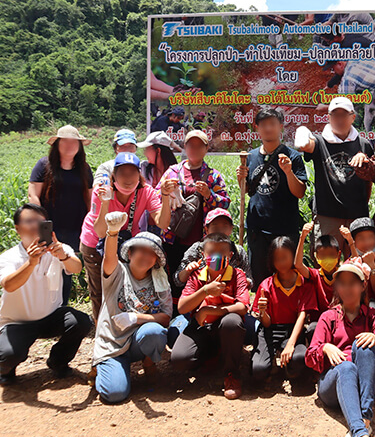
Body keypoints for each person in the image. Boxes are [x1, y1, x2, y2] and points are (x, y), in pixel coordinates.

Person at [0, 204, 92, 385]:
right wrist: (31, 262)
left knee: (81, 321)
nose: (35, 225)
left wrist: (63, 256)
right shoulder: (9, 257)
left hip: (51, 316)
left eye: (40, 221)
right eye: (29, 221)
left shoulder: (57, 248)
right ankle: (8, 370)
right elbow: (9, 285)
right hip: (17, 323)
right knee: (7, 356)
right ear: (18, 229)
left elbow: (77, 268)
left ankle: (58, 362)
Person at [79, 153, 175, 322]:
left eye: (133, 172)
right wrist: (105, 202)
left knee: (122, 289)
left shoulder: (146, 192)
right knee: (100, 290)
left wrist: (165, 197)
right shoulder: (102, 191)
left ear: (139, 175)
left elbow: (162, 223)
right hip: (95, 243)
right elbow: (101, 232)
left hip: (125, 245)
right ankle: (102, 331)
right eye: (122, 172)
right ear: (113, 175)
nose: (128, 178)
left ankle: (123, 328)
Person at [306, 258, 375, 437]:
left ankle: (363, 420)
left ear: (362, 286)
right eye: (342, 283)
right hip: (333, 386)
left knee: (365, 343)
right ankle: (361, 432)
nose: (347, 288)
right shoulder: (328, 317)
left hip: (366, 385)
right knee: (346, 367)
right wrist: (325, 347)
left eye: (352, 283)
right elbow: (310, 357)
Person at [93, 221, 172, 404]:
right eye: (141, 250)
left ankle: (148, 362)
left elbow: (165, 318)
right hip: (113, 344)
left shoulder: (159, 280)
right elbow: (109, 257)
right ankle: (104, 367)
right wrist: (112, 233)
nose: (146, 256)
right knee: (115, 394)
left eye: (152, 253)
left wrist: (136, 317)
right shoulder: (118, 272)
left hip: (137, 341)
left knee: (154, 331)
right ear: (130, 253)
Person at [171, 233, 250, 400]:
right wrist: (205, 291)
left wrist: (208, 310)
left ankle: (232, 374)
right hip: (201, 327)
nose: (216, 256)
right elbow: (182, 306)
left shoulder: (237, 275)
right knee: (180, 359)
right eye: (211, 252)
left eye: (222, 252)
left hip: (224, 325)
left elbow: (242, 307)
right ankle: (214, 356)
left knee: (232, 321)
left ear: (230, 255)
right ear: (204, 255)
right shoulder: (196, 276)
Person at [295, 97, 374, 259]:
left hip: (356, 216)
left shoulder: (364, 144)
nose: (339, 119)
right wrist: (303, 130)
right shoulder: (319, 142)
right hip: (327, 217)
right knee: (326, 265)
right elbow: (303, 145)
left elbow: (369, 181)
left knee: (359, 265)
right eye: (335, 115)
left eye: (344, 115)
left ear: (353, 117)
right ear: (328, 118)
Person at [236, 108, 307, 286]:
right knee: (260, 279)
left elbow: (300, 192)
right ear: (257, 128)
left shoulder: (293, 156)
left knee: (286, 278)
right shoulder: (250, 157)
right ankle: (261, 312)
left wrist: (289, 172)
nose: (268, 128)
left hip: (284, 229)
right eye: (264, 125)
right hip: (257, 231)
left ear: (280, 127)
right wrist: (240, 179)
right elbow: (247, 191)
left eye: (272, 124)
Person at [160, 130, 231, 297]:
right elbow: (157, 197)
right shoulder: (172, 172)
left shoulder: (213, 176)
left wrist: (209, 195)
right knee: (174, 276)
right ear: (185, 147)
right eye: (191, 145)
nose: (195, 149)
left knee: (198, 277)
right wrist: (167, 193)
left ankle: (196, 312)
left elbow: (225, 203)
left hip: (201, 239)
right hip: (173, 236)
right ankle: (176, 314)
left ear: (206, 149)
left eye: (200, 146)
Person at [28, 125, 93, 304]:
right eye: (65, 141)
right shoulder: (44, 165)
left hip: (74, 226)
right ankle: (39, 309)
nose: (69, 145)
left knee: (66, 268)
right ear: (57, 144)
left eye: (74, 142)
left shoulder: (84, 169)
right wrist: (41, 223)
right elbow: (33, 194)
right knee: (43, 267)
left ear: (80, 147)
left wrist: (91, 223)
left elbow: (89, 199)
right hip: (49, 226)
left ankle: (61, 308)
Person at [251, 236, 317, 381]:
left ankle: (288, 367)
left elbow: (302, 316)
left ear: (294, 256)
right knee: (259, 370)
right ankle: (272, 363)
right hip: (270, 330)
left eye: (285, 257)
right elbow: (266, 323)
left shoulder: (304, 284)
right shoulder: (266, 285)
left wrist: (291, 344)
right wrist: (263, 311)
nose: (281, 263)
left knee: (299, 359)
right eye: (277, 258)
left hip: (292, 330)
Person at [172, 208, 252, 290]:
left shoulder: (238, 251)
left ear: (231, 229)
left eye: (224, 226)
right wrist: (187, 271)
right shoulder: (197, 249)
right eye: (215, 226)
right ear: (206, 229)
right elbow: (177, 280)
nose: (220, 231)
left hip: (231, 299)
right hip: (200, 299)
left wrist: (242, 280)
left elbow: (249, 281)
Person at [294, 222, 344, 312]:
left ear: (338, 254)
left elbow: (356, 263)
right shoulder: (315, 275)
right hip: (319, 320)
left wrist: (351, 241)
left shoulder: (342, 273)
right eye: (323, 256)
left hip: (340, 317)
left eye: (331, 255)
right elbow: (298, 264)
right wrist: (302, 238)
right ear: (316, 256)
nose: (327, 259)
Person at [346, 217, 375, 299]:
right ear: (354, 242)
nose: (367, 243)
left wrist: (371, 264)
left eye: (370, 237)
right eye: (361, 238)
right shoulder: (350, 262)